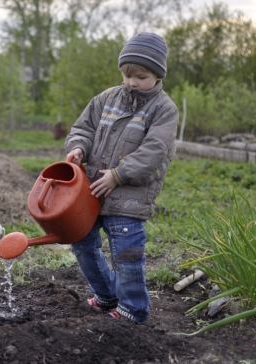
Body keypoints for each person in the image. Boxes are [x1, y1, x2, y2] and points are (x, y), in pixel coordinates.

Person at [64, 32, 178, 324]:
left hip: (130, 195)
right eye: (127, 75)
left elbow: (155, 151)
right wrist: (78, 148)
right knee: (82, 243)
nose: (131, 82)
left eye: (140, 76)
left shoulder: (164, 109)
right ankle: (106, 296)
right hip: (93, 190)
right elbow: (84, 128)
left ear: (157, 74)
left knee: (126, 255)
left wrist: (118, 175)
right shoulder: (107, 98)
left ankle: (134, 310)